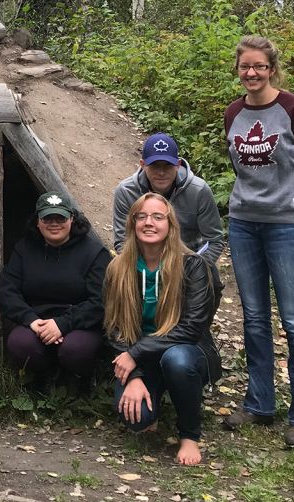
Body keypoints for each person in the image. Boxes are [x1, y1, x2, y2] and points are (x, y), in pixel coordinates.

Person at [222, 36, 294, 447]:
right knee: (253, 318)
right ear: (238, 69)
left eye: (259, 67)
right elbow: (238, 166)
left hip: (285, 225)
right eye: (245, 66)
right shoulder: (232, 113)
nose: (251, 73)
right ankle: (260, 403)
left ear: (272, 69)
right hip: (244, 223)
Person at [103, 193, 221, 466]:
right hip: (142, 359)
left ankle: (189, 434)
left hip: (187, 353)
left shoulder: (193, 266)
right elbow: (113, 327)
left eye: (158, 217)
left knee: (176, 361)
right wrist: (133, 374)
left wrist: (135, 353)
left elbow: (191, 328)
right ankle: (153, 396)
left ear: (171, 224)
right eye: (141, 216)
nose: (149, 223)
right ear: (132, 224)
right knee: (136, 419)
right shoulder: (118, 268)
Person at [0, 191, 110, 389]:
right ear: (38, 221)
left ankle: (81, 381)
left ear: (72, 219)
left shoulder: (94, 253)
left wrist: (63, 324)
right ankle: (43, 379)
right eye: (47, 218)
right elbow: (7, 291)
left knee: (75, 349)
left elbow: (100, 301)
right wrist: (31, 320)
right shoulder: (23, 250)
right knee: (20, 344)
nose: (54, 223)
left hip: (79, 323)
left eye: (60, 217)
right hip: (37, 322)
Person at [112, 133, 226, 265]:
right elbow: (122, 241)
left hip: (188, 261)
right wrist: (146, 270)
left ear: (178, 164)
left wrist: (195, 270)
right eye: (155, 165)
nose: (161, 172)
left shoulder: (199, 191)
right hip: (142, 262)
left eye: (167, 165)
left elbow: (214, 241)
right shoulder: (126, 192)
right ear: (143, 164)